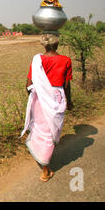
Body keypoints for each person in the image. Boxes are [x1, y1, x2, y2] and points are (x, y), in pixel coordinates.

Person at [21, 34, 73, 182]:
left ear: (44, 46)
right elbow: (66, 85)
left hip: (39, 99)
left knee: (41, 129)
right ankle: (45, 169)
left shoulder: (37, 60)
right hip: (56, 98)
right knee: (51, 131)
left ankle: (40, 153)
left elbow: (28, 84)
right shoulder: (65, 60)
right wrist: (69, 101)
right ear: (57, 45)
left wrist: (34, 100)